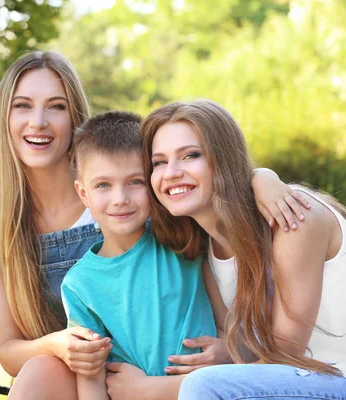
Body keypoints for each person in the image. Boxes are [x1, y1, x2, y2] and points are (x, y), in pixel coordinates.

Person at [0, 52, 309, 399]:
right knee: (43, 365)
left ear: (74, 116)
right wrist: (59, 344)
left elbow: (196, 180)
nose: (38, 121)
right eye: (22, 105)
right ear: (85, 192)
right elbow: (8, 350)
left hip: (175, 380)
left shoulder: (147, 208)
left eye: (56, 106)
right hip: (82, 379)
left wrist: (261, 179)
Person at [110, 99, 346, 400]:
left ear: (224, 159)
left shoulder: (296, 216)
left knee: (208, 387)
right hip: (313, 383)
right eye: (159, 162)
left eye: (190, 155)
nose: (171, 172)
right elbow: (247, 351)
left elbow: (283, 353)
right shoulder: (210, 255)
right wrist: (228, 354)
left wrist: (150, 389)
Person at [61, 110, 218, 400]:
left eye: (135, 182)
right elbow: (91, 375)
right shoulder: (79, 284)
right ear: (83, 194)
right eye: (103, 185)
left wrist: (265, 179)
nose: (120, 199)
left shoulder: (180, 232)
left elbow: (232, 192)